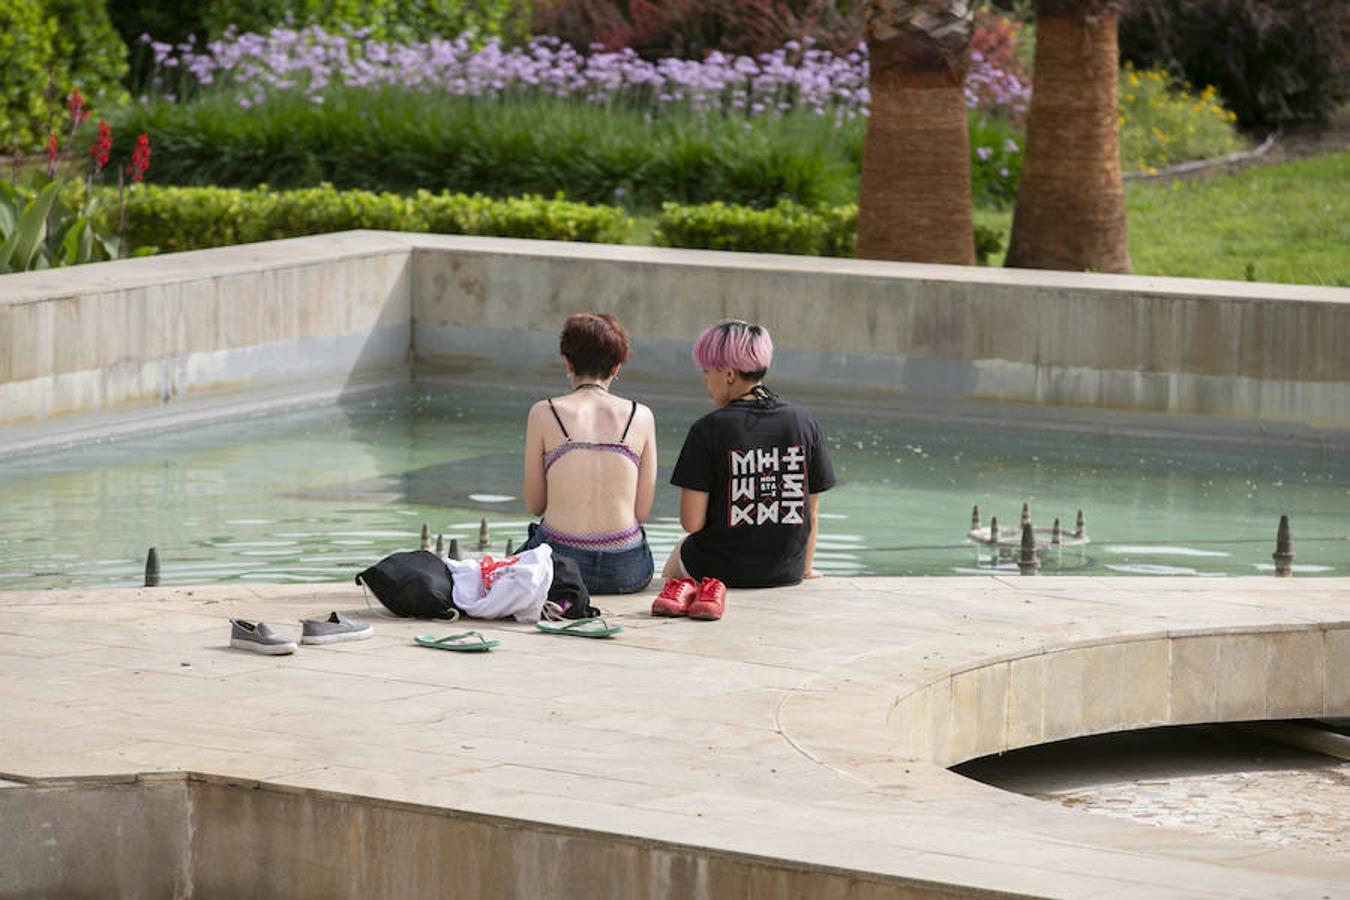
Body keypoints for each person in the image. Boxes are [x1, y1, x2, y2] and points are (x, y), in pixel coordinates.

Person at [658, 320, 836, 605]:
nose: (705, 381)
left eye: (707, 372)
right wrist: (804, 570)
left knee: (680, 554)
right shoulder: (804, 422)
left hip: (718, 570)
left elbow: (691, 523)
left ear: (728, 373)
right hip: (785, 572)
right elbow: (811, 513)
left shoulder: (708, 429)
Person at [518, 313, 657, 595]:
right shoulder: (640, 416)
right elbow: (641, 512)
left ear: (567, 362)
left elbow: (535, 504)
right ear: (617, 367)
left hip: (561, 565)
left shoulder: (544, 413)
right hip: (627, 568)